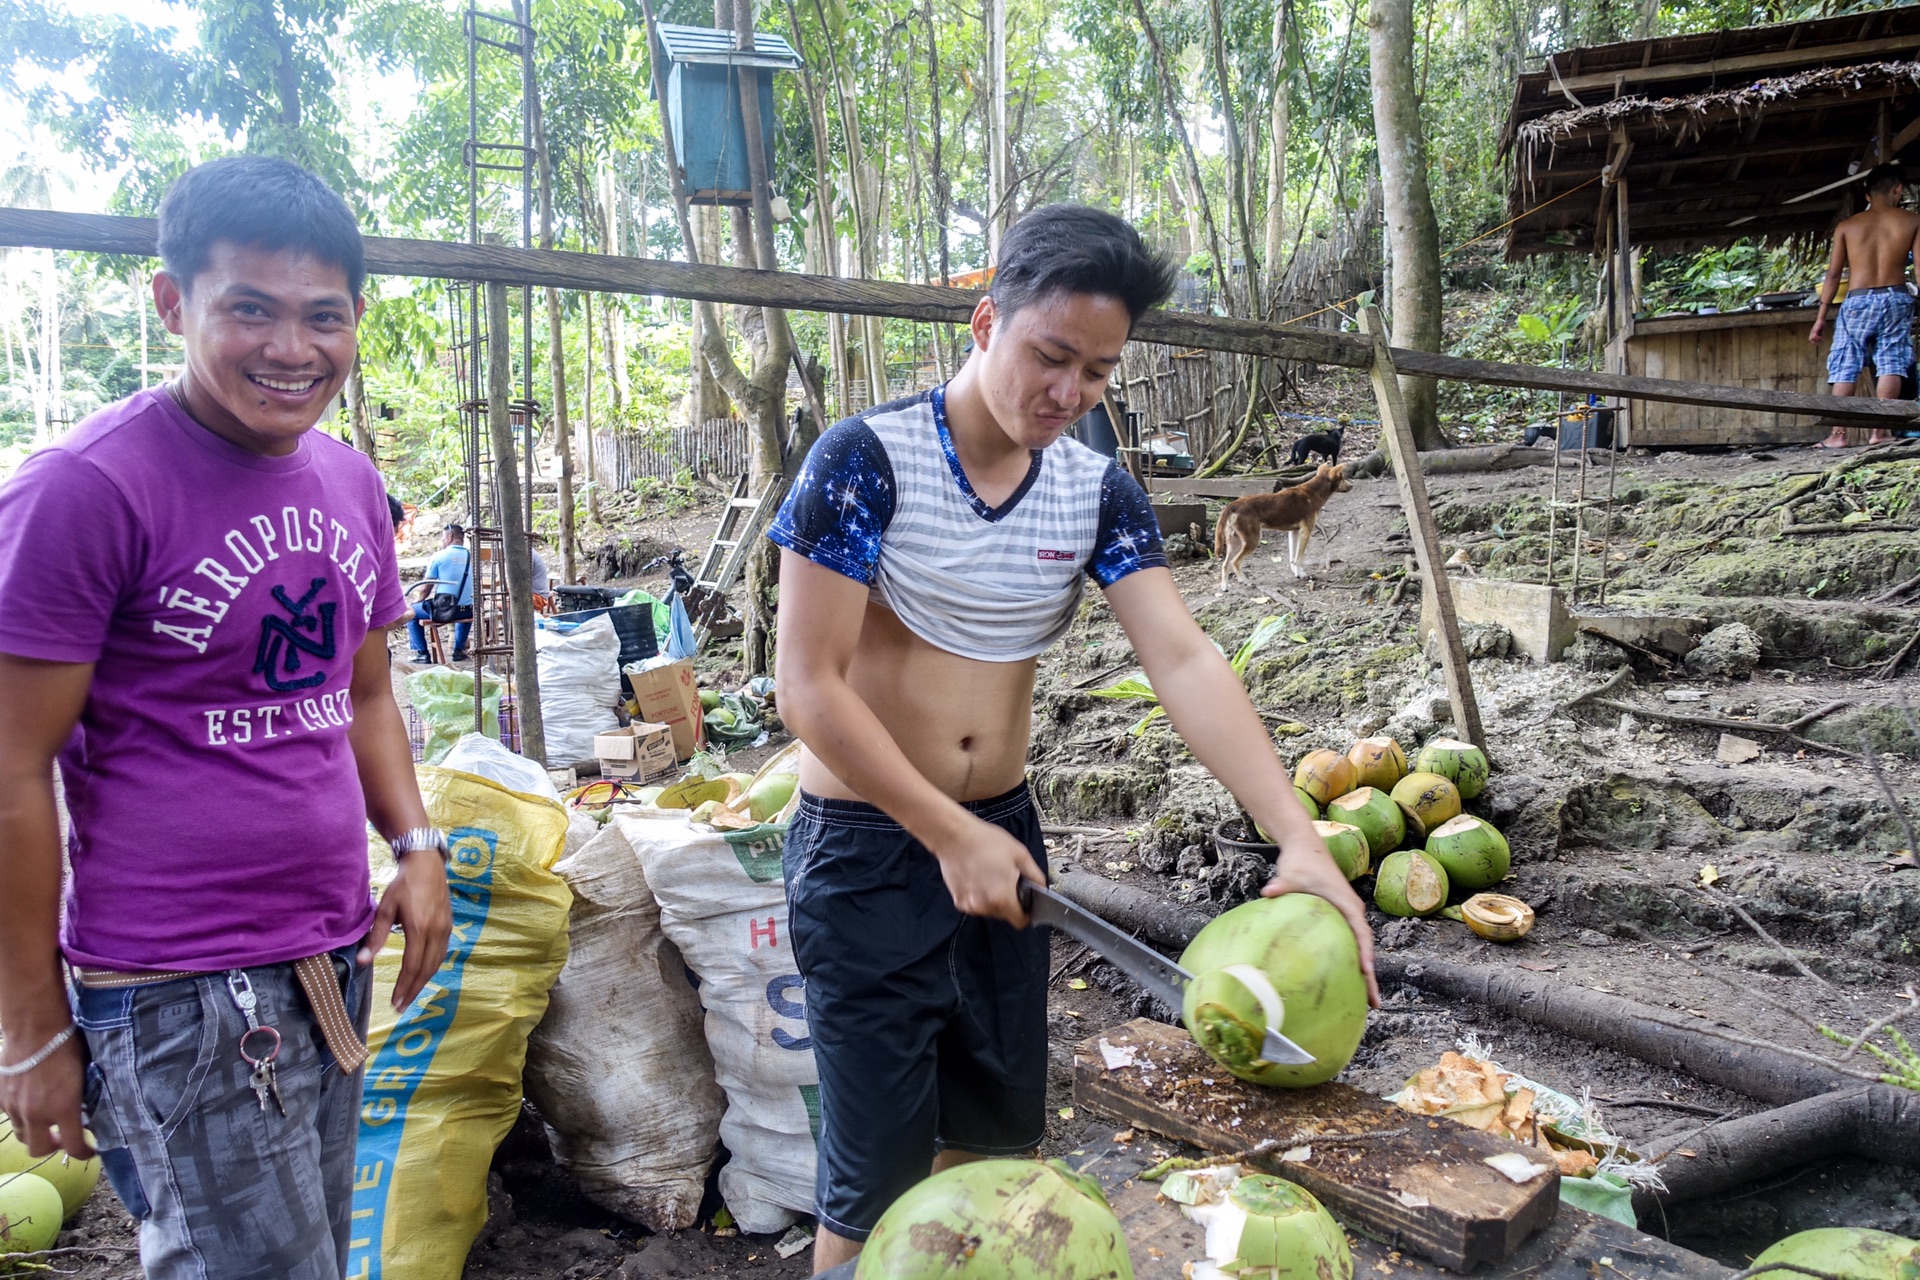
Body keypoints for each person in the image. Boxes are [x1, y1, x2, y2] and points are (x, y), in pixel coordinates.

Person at [767, 204, 1378, 1274]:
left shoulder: (1098, 490)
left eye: (1097, 373)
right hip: (869, 847)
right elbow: (807, 688)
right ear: (985, 319)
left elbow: (1182, 660)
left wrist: (1300, 837)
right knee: (871, 1192)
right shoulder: (865, 461)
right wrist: (943, 830)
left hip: (1004, 841)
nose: (1068, 393)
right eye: (1051, 357)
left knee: (995, 1155)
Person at [0, 155, 451, 1279]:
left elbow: (365, 692)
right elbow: (11, 768)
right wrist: (33, 1027)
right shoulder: (86, 489)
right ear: (173, 304)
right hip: (177, 989)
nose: (290, 349)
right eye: (248, 309)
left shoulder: (348, 481)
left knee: (309, 1259)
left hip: (327, 952)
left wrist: (417, 844)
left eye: (321, 316)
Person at [1809, 164, 1920, 447]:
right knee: (1891, 361)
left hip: (1857, 301)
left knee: (1846, 363)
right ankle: (1880, 433)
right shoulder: (1912, 221)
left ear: (1867, 194)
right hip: (1896, 297)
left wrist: (1821, 317)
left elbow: (1833, 275)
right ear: (1897, 190)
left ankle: (1837, 436)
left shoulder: (1848, 226)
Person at [407, 521, 475, 661]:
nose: (442, 541)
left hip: (444, 611)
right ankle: (458, 650)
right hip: (467, 610)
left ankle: (422, 653)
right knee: (465, 606)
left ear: (450, 537)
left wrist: (418, 601)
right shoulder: (471, 556)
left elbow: (426, 587)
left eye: (443, 538)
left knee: (410, 613)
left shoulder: (439, 556)